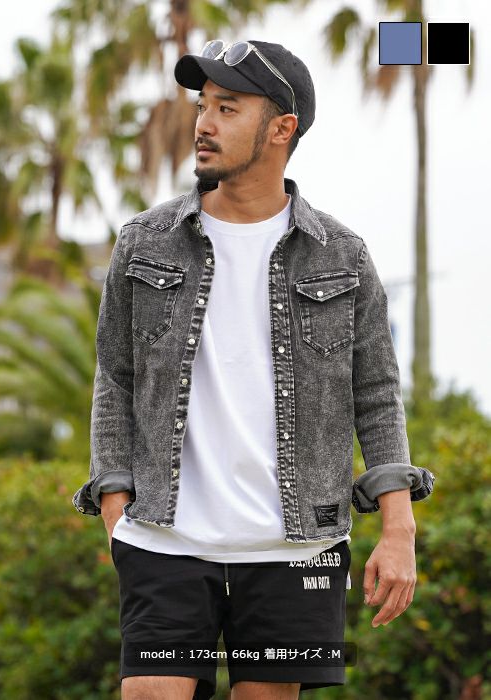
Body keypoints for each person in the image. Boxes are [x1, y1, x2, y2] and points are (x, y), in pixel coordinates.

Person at [72, 39, 435, 700]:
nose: (204, 124)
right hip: (164, 539)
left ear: (280, 128)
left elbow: (378, 395)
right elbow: (115, 379)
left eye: (228, 107)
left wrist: (398, 525)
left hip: (296, 548)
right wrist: (116, 507)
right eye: (203, 105)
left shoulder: (342, 256)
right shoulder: (144, 243)